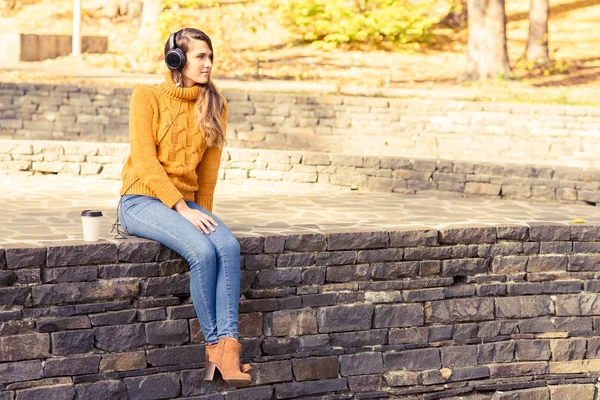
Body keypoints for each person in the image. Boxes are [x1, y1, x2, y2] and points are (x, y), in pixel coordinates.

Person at [116, 28, 251, 388]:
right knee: (203, 253)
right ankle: (214, 346)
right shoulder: (146, 96)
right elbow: (144, 161)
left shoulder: (216, 105)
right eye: (200, 56)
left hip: (186, 204)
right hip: (141, 199)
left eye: (210, 56)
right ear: (176, 59)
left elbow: (207, 177)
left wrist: (203, 215)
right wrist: (181, 208)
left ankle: (228, 346)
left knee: (227, 245)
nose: (208, 64)